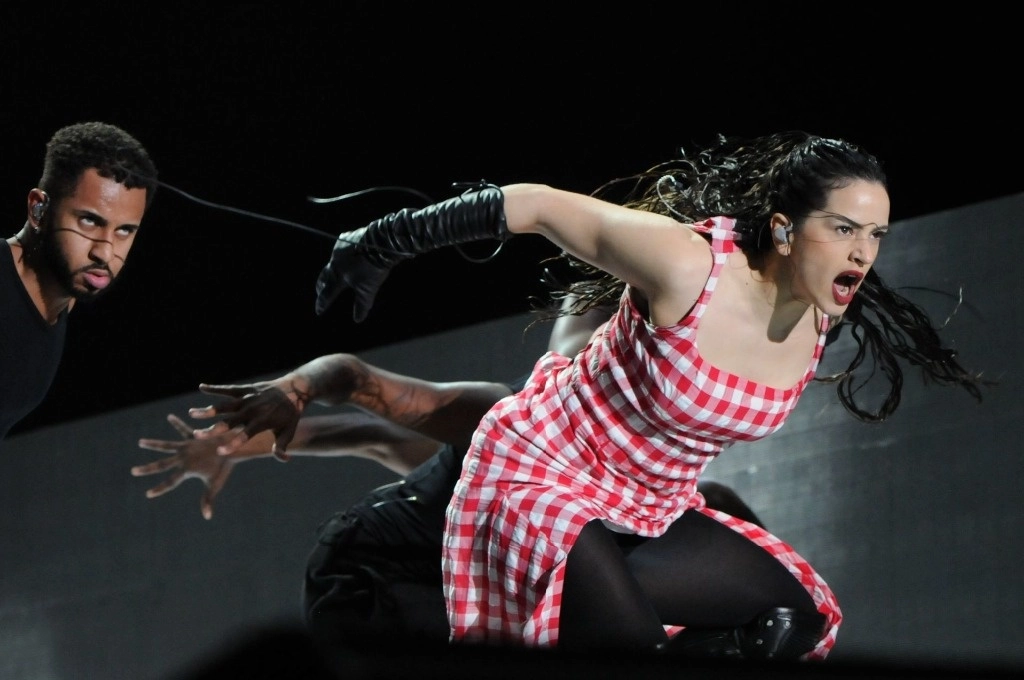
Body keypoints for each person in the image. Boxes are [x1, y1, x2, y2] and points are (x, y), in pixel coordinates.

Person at [311, 131, 989, 661]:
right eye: (844, 229)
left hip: (644, 510)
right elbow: (538, 206)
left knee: (794, 621)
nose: (863, 253)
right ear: (784, 229)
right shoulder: (690, 266)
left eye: (875, 235)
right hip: (543, 480)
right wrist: (381, 242)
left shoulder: (819, 313)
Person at [132, 306, 764, 659]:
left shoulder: (638, 489)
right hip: (374, 571)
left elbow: (372, 438)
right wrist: (292, 392)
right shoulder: (503, 417)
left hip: (450, 569)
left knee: (712, 517)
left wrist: (236, 447)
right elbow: (355, 383)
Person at [1, 121, 158, 441]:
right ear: (38, 209)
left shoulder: (63, 297)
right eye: (89, 221)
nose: (105, 251)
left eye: (124, 230)